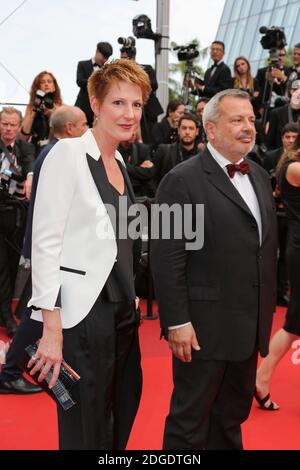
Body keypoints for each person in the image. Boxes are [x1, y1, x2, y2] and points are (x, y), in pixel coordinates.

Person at [26, 59, 151, 450]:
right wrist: (51, 328)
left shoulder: (119, 163)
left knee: (121, 406)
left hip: (121, 311)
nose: (129, 114)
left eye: (136, 104)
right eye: (118, 103)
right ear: (95, 105)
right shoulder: (67, 154)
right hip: (81, 314)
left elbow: (120, 238)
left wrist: (129, 285)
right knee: (86, 424)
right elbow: (45, 242)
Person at [150, 89, 277, 450]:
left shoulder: (260, 177)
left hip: (248, 327)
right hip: (202, 328)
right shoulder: (180, 179)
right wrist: (176, 321)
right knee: (189, 422)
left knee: (231, 418)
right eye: (237, 120)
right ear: (211, 128)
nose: (248, 128)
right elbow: (166, 256)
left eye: (251, 119)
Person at [0, 105, 88, 395]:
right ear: (71, 129)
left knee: (36, 309)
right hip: (52, 249)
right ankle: (12, 371)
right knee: (36, 311)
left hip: (54, 248)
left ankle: (29, 369)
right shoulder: (56, 155)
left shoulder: (53, 152)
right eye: (85, 124)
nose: (88, 129)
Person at [255, 130, 300, 411]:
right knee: (295, 321)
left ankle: (261, 379)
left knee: (296, 322)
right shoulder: (294, 166)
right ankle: (260, 378)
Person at [0, 107, 35, 337]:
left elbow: (31, 164)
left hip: (17, 217)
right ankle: (6, 315)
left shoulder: (25, 147)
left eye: (13, 124)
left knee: (13, 266)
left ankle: (4, 309)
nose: (9, 128)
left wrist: (30, 177)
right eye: (5, 124)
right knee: (2, 266)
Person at [19, 71, 63, 155]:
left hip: (56, 150)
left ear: (54, 86)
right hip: (36, 151)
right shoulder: (31, 107)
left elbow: (64, 133)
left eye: (49, 81)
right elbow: (23, 137)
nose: (46, 84)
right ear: (37, 87)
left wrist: (52, 113)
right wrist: (33, 112)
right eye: (42, 82)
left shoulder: (61, 107)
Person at [153, 113, 199, 185]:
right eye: (184, 128)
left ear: (197, 132)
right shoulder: (164, 151)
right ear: (178, 130)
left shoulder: (202, 155)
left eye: (191, 128)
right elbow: (153, 179)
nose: (187, 132)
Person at [75, 42, 113, 127]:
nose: (104, 60)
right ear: (97, 51)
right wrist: (95, 80)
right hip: (83, 105)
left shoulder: (108, 70)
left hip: (100, 109)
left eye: (107, 57)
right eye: (103, 56)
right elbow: (79, 81)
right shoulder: (83, 64)